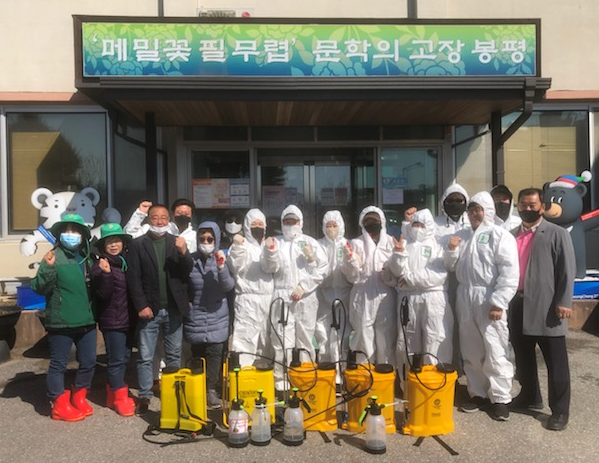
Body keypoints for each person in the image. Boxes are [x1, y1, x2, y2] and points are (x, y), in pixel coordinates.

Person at [444, 191, 519, 421]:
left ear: (488, 211)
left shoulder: (500, 236)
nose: (474, 214)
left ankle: (500, 398)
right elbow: (450, 266)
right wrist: (452, 250)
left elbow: (509, 272)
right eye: (471, 210)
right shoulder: (462, 236)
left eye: (478, 209)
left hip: (489, 297)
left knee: (495, 348)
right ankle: (477, 393)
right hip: (466, 295)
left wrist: (499, 301)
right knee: (471, 349)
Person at [508, 188, 576, 431]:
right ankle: (529, 396)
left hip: (547, 307)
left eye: (532, 205)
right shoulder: (511, 235)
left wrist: (564, 301)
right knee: (523, 356)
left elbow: (567, 270)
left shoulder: (557, 233)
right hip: (517, 304)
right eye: (523, 205)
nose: (527, 209)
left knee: (555, 362)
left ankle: (560, 409)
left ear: (543, 207)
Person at [126, 204, 193, 415]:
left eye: (164, 217)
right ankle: (144, 396)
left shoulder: (176, 242)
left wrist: (184, 252)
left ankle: (174, 393)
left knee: (174, 355)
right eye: (155, 217)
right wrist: (141, 305)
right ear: (149, 219)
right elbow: (133, 278)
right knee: (146, 356)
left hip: (173, 308)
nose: (160, 221)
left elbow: (187, 272)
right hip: (150, 309)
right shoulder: (138, 244)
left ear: (169, 219)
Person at [30, 213, 96, 421]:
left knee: (89, 361)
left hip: (87, 320)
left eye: (75, 230)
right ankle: (58, 403)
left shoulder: (87, 258)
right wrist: (48, 268)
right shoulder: (53, 256)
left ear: (83, 235)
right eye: (66, 230)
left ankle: (79, 395)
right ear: (59, 234)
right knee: (58, 364)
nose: (71, 234)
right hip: (61, 321)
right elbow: (39, 288)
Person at [262, 205, 328, 391]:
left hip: (306, 297)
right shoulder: (276, 242)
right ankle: (281, 380)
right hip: (282, 296)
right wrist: (270, 251)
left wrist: (304, 286)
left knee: (305, 339)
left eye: (294, 221)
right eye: (287, 221)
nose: (291, 225)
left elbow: (323, 269)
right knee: (282, 340)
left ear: (301, 222)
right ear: (282, 223)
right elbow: (269, 268)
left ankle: (305, 378)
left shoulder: (311, 242)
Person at [388, 208, 453, 387]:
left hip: (433, 298)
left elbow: (439, 274)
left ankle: (435, 383)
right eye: (415, 224)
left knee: (435, 337)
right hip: (408, 298)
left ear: (429, 226)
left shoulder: (438, 246)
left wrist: (410, 278)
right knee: (407, 340)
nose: (418, 228)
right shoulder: (404, 244)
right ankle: (407, 384)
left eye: (421, 225)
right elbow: (397, 272)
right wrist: (399, 254)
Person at [184, 222, 235, 409]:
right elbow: (182, 284)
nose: (206, 242)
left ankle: (211, 390)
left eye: (210, 239)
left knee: (215, 354)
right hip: (195, 315)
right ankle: (198, 390)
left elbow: (228, 286)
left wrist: (221, 268)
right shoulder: (190, 260)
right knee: (197, 354)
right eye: (202, 239)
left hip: (217, 316)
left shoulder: (223, 259)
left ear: (217, 239)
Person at [90, 223, 136, 417]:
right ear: (103, 246)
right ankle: (119, 398)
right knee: (116, 360)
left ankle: (112, 394)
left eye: (117, 240)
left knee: (124, 358)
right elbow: (103, 294)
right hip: (112, 321)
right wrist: (106, 274)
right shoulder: (99, 266)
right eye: (109, 241)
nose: (114, 245)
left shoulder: (124, 263)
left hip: (128, 320)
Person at [342, 206, 397, 365]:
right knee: (363, 334)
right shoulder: (356, 243)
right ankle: (364, 371)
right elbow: (351, 276)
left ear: (382, 222)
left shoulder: (391, 243)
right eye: (367, 221)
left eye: (375, 221)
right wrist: (350, 261)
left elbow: (398, 270)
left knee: (385, 335)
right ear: (362, 223)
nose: (371, 224)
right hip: (362, 294)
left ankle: (385, 371)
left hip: (385, 294)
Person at [228, 209, 275, 367]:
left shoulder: (266, 245)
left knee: (266, 339)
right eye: (254, 224)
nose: (257, 227)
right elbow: (235, 266)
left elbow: (273, 268)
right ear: (247, 226)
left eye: (261, 224)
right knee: (245, 338)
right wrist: (237, 248)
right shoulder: (241, 245)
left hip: (268, 298)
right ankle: (242, 375)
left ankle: (264, 373)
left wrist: (271, 251)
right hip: (247, 299)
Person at [315, 210, 353, 372]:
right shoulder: (318, 245)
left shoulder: (347, 244)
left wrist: (351, 259)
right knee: (322, 332)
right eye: (328, 225)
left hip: (344, 293)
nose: (331, 229)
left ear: (341, 226)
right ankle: (326, 369)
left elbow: (354, 272)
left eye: (334, 225)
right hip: (324, 294)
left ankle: (342, 371)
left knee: (342, 334)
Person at [124, 198, 197, 252]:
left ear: (191, 215)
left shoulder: (195, 236)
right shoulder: (157, 228)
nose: (182, 216)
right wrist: (140, 213)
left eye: (186, 213)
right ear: (172, 214)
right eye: (179, 213)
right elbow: (130, 234)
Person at [434, 182, 471, 246]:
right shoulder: (435, 223)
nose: (454, 204)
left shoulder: (471, 221)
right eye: (450, 201)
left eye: (459, 201)